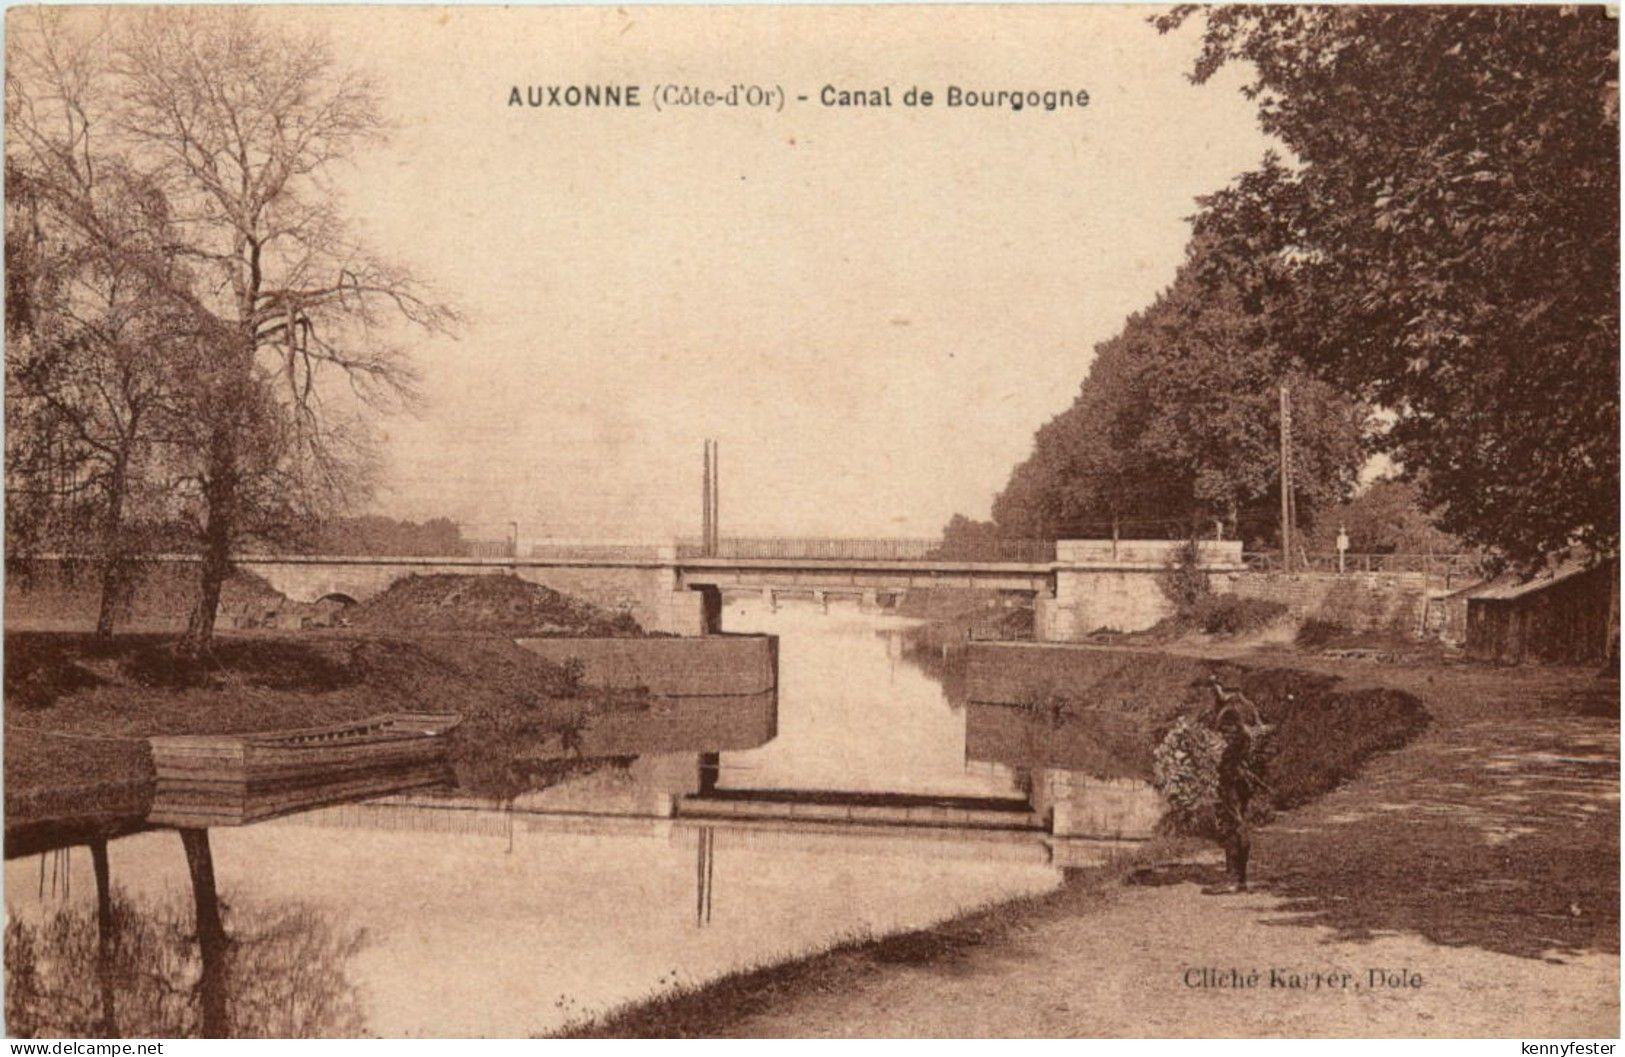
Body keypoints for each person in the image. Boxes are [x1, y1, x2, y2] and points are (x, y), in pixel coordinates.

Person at [1203, 674, 1272, 894]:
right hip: (1245, 777)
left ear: (1223, 688)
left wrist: (1213, 753)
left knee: (1231, 825)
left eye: (1215, 687)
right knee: (1238, 822)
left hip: (1231, 776)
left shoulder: (1230, 711)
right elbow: (1259, 735)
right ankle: (1240, 879)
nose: (1213, 692)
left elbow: (1235, 740)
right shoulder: (1248, 707)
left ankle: (1233, 880)